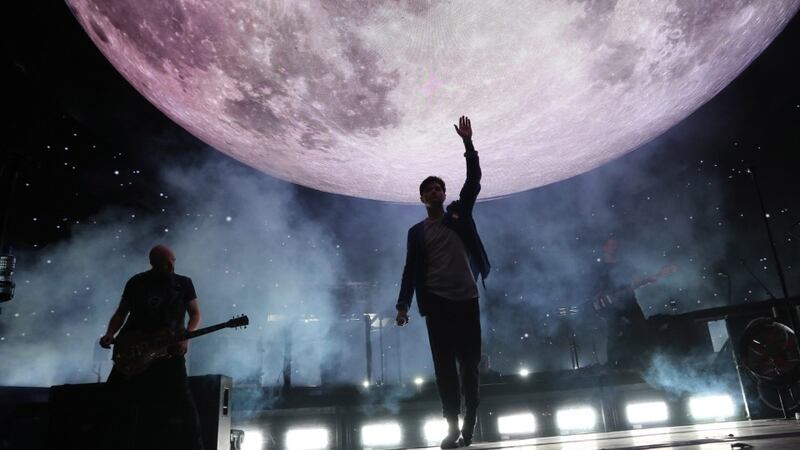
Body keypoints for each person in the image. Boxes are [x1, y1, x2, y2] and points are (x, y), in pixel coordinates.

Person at [395, 116, 490, 448]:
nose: (436, 191)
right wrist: (403, 305)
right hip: (436, 304)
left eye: (440, 187)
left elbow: (474, 180)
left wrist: (467, 143)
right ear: (422, 198)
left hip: (466, 299)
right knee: (445, 370)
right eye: (430, 189)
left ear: (444, 194)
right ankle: (451, 427)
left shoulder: (458, 214)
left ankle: (471, 424)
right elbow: (410, 270)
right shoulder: (417, 232)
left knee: (471, 367)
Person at [99, 244, 204, 450]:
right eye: (167, 262)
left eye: (173, 261)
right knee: (115, 401)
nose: (171, 266)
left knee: (183, 402)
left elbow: (195, 314)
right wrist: (110, 334)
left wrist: (186, 336)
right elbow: (121, 313)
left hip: (169, 352)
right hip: (133, 350)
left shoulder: (183, 283)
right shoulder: (136, 282)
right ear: (154, 262)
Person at [591, 237, 657, 370]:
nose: (613, 247)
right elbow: (595, 289)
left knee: (642, 328)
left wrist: (646, 280)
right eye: (610, 245)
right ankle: (612, 366)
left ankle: (649, 362)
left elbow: (637, 280)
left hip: (629, 301)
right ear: (604, 247)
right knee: (613, 334)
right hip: (611, 306)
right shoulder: (599, 267)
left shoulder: (625, 265)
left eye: (615, 244)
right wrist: (598, 301)